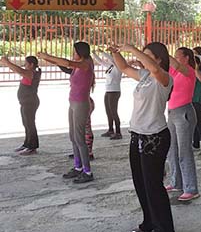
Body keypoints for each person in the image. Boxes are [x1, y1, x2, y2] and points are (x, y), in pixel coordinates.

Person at [111, 42, 176, 232]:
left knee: (153, 185)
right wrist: (115, 53)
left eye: (146, 55)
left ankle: (166, 231)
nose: (140, 57)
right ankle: (149, 222)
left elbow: (156, 69)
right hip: (137, 134)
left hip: (154, 137)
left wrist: (133, 49)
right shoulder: (145, 77)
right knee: (140, 183)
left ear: (158, 58)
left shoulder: (163, 77)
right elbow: (123, 68)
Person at [38, 42, 95, 184]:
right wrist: (47, 58)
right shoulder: (78, 65)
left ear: (81, 53)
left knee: (80, 138)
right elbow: (64, 65)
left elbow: (66, 62)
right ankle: (78, 167)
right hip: (73, 103)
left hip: (81, 104)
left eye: (74, 51)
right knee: (73, 136)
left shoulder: (86, 64)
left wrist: (48, 55)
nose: (73, 54)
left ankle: (87, 171)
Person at [165, 47, 200, 202]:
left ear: (186, 58)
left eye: (178, 56)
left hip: (184, 112)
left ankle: (191, 188)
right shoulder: (175, 73)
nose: (175, 58)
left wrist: (164, 53)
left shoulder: (189, 71)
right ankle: (176, 182)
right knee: (172, 150)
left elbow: (177, 65)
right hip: (172, 113)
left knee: (184, 152)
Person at [1, 55, 41, 155]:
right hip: (25, 102)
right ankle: (27, 144)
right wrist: (7, 63)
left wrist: (7, 62)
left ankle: (32, 147)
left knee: (30, 124)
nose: (24, 65)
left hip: (30, 102)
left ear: (31, 65)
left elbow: (19, 70)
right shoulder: (30, 72)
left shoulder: (30, 73)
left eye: (26, 64)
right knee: (26, 123)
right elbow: (19, 70)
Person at [92, 50, 123, 140]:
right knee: (108, 111)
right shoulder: (110, 67)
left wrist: (102, 52)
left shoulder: (118, 67)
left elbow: (112, 59)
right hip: (108, 91)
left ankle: (118, 132)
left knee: (114, 112)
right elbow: (101, 62)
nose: (108, 59)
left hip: (114, 91)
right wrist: (94, 54)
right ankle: (110, 130)